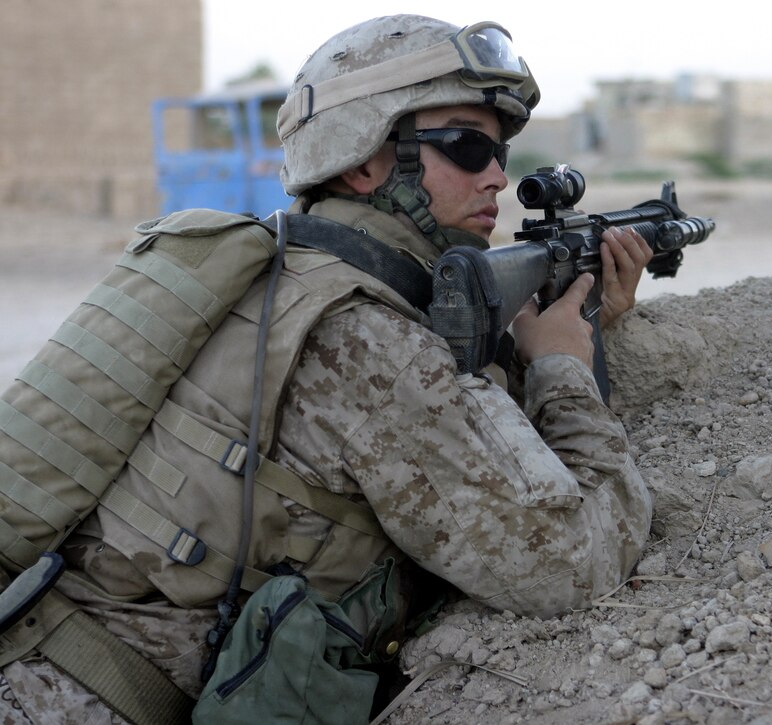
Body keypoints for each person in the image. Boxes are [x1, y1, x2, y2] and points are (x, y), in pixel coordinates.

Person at [0, 13, 653, 722]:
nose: (498, 173)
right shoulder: (365, 338)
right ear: (364, 158)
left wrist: (582, 321)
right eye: (466, 144)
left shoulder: (276, 275)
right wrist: (563, 369)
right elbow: (567, 565)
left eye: (498, 149)